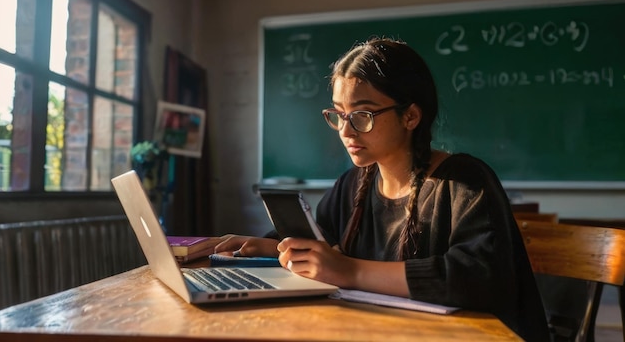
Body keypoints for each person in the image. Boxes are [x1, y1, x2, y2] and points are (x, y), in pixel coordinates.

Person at [215, 37, 550, 341]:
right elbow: (322, 240)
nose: (346, 130)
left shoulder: (464, 182)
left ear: (411, 116)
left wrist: (350, 271)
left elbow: (475, 279)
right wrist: (267, 248)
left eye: (363, 114)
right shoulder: (352, 185)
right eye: (339, 114)